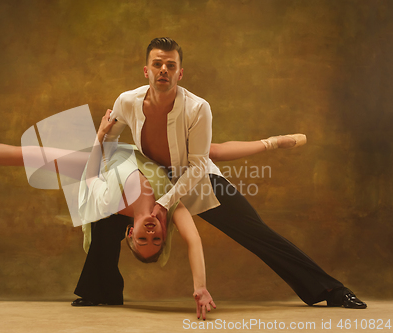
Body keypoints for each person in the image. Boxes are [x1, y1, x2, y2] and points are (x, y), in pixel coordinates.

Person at [71, 37, 367, 310]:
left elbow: (199, 165)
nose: (163, 70)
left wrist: (165, 202)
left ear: (180, 73)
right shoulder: (127, 101)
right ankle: (102, 291)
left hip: (197, 181)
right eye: (157, 64)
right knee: (104, 215)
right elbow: (111, 138)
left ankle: (332, 291)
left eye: (170, 65)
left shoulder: (198, 108)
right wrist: (102, 142)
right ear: (146, 70)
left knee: (257, 233)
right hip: (154, 178)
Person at [0, 121, 305, 319]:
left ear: (130, 234)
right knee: (208, 151)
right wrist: (200, 288)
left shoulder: (111, 205)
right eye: (155, 242)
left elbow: (34, 158)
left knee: (35, 156)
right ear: (160, 232)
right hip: (156, 157)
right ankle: (274, 141)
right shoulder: (173, 207)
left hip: (112, 156)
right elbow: (195, 243)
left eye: (141, 242)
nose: (150, 236)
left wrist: (99, 136)